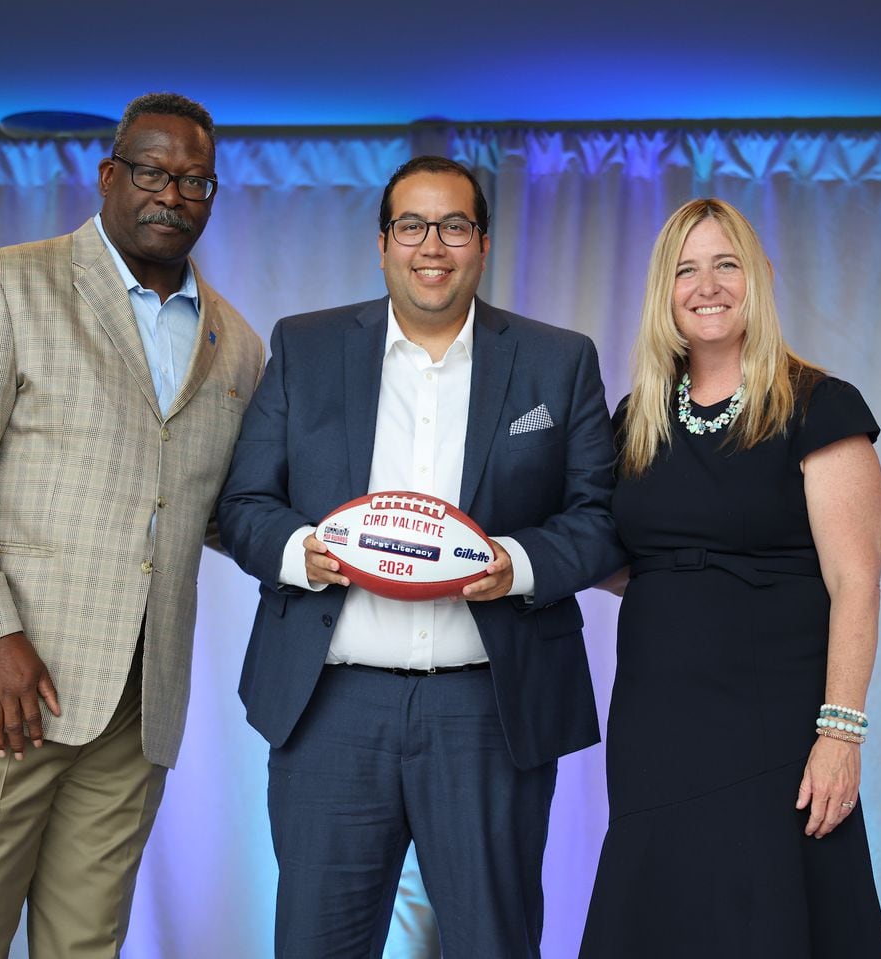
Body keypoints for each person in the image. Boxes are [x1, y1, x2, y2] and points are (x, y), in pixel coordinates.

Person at [218, 156, 625, 957]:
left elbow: (601, 518)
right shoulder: (306, 346)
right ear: (382, 243)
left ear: (482, 243)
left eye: (454, 225)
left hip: (488, 714)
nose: (430, 245)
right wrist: (308, 551)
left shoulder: (557, 359)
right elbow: (243, 507)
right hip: (329, 710)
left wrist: (517, 562)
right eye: (411, 225)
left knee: (494, 944)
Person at [0, 92, 263, 958]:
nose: (172, 195)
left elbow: (214, 507)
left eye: (195, 181)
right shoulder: (6, 285)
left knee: (86, 944)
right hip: (5, 691)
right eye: (152, 172)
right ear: (109, 176)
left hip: (138, 706)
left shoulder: (236, 344)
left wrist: (333, 536)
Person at [579, 198, 881, 957]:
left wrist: (840, 735)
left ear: (759, 277)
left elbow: (856, 580)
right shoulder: (638, 417)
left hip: (774, 729)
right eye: (687, 269)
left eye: (726, 264)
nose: (707, 285)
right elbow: (633, 561)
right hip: (656, 730)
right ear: (665, 290)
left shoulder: (820, 405)